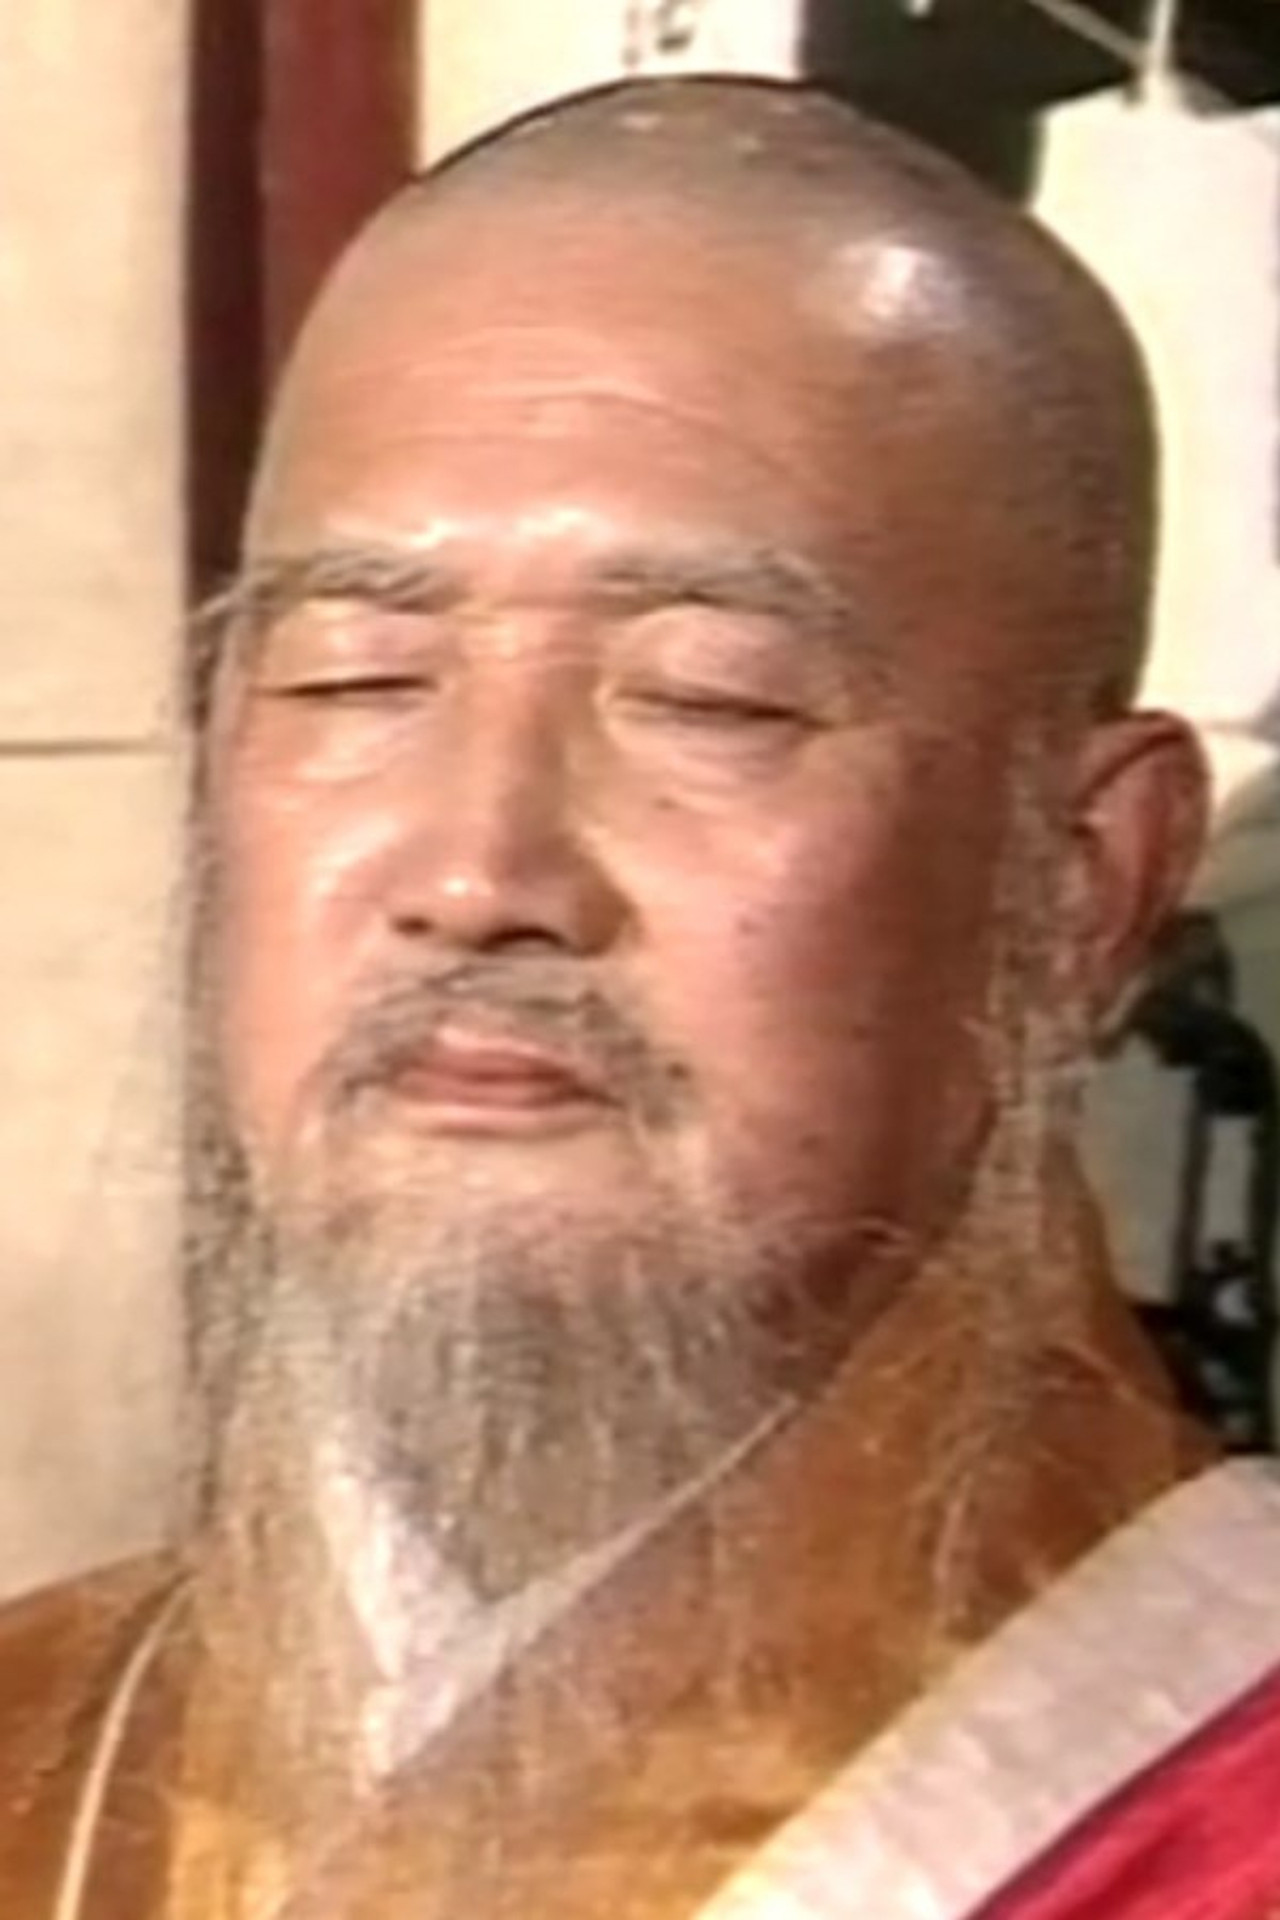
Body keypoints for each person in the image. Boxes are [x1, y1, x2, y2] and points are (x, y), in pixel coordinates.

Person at [4, 75, 1280, 1920]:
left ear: (1085, 881)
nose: (478, 874)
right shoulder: (43, 1752)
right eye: (356, 679)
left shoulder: (1223, 1800)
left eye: (710, 702)